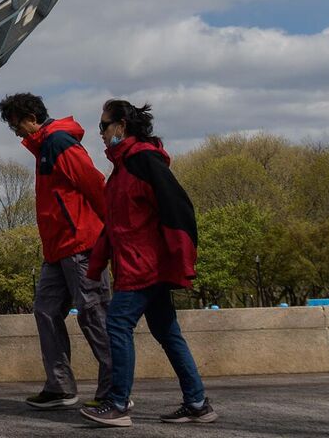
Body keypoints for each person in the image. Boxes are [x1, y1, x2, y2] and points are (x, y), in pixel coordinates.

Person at [81, 100, 216, 427]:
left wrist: (181, 258)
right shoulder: (122, 169)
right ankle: (197, 402)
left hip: (144, 267)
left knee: (117, 324)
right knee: (167, 332)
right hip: (137, 264)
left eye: (103, 126)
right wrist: (96, 264)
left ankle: (117, 404)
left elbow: (178, 209)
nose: (100, 133)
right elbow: (115, 225)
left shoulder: (143, 162)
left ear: (121, 126)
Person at [0, 91, 113, 411]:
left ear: (32, 119)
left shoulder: (59, 144)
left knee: (94, 314)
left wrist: (113, 233)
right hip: (56, 249)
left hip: (81, 245)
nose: (16, 132)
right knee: (46, 311)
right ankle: (60, 386)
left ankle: (115, 388)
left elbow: (94, 184)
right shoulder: (43, 148)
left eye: (16, 124)